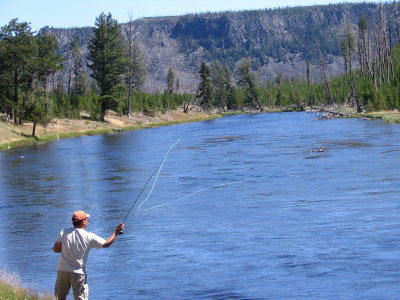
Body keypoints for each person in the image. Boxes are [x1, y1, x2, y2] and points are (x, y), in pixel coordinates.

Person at [53, 210, 124, 300]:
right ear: (83, 221)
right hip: (78, 272)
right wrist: (116, 232)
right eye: (86, 219)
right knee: (81, 298)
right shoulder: (88, 236)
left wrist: (68, 249)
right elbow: (106, 244)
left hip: (62, 270)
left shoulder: (64, 232)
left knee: (60, 297)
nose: (87, 221)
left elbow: (56, 249)